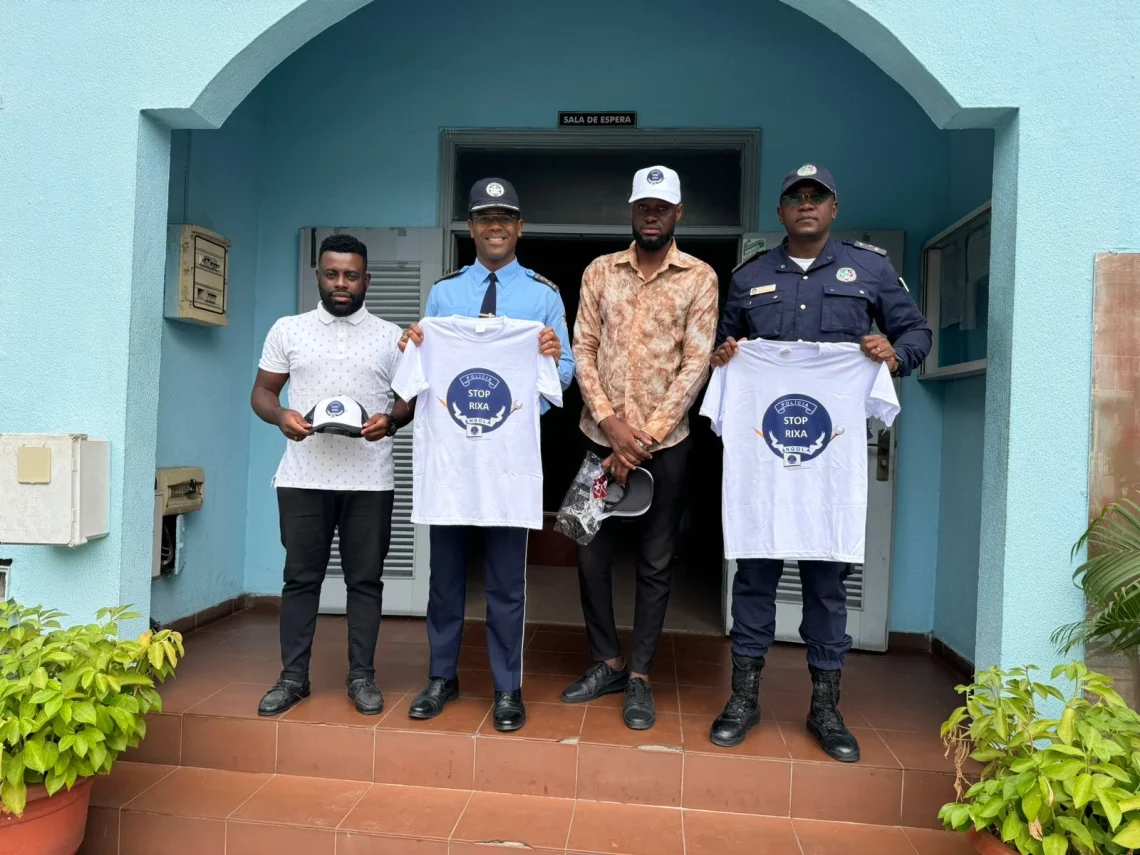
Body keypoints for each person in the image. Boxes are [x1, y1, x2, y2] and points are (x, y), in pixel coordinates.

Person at [708, 164, 932, 760]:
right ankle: (743, 699)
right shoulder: (749, 277)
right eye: (795, 197)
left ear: (833, 208)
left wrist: (894, 354)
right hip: (765, 469)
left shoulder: (870, 269)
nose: (806, 204)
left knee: (827, 587)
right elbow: (721, 349)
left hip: (828, 472)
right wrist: (724, 356)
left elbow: (917, 333)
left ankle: (826, 709)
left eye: (817, 196)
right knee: (753, 579)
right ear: (781, 211)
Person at [398, 178, 574, 731]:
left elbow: (565, 373)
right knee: (445, 577)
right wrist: (412, 347)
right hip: (451, 461)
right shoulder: (444, 294)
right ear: (471, 228)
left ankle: (506, 687)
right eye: (483, 217)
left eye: (504, 218)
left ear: (519, 227)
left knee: (505, 582)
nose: (495, 226)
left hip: (508, 464)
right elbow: (424, 370)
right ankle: (441, 677)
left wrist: (537, 379)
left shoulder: (544, 296)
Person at [562, 166, 719, 730]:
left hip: (666, 446)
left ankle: (641, 676)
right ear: (632, 210)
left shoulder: (699, 276)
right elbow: (582, 347)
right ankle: (607, 661)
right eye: (643, 206)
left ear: (678, 213)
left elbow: (696, 363)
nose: (652, 215)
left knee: (655, 562)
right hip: (597, 439)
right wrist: (610, 424)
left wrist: (641, 439)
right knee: (587, 548)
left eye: (662, 207)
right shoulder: (599, 270)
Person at [251, 233, 414, 717]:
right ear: (319, 276)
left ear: (367, 280)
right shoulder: (288, 329)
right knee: (301, 579)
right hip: (303, 477)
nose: (341, 283)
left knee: (365, 581)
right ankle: (292, 678)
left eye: (351, 275)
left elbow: (409, 400)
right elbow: (262, 392)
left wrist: (392, 420)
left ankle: (362, 677)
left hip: (369, 480)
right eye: (332, 273)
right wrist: (280, 416)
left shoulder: (390, 337)